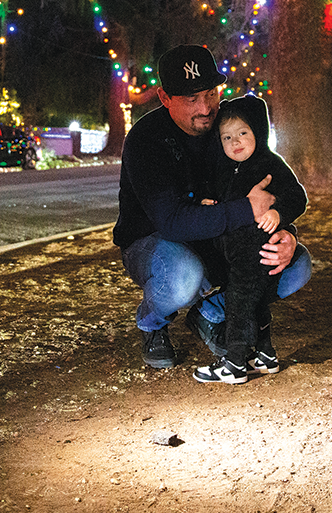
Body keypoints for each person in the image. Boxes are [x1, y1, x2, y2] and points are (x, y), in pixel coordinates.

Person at [114, 44, 312, 369]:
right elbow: (173, 222)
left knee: (297, 265)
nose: (206, 108)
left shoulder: (228, 126)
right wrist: (248, 210)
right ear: (165, 98)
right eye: (192, 99)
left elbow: (266, 181)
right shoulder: (145, 140)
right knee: (183, 276)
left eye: (210, 93)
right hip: (154, 241)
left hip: (217, 237)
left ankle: (211, 312)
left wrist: (283, 232)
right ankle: (152, 324)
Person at [192, 94, 308, 384]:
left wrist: (279, 214)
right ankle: (265, 354)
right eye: (227, 136)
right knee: (255, 302)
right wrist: (209, 202)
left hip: (258, 248)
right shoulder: (222, 168)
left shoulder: (270, 165)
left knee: (240, 302)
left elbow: (297, 196)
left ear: (258, 131)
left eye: (243, 133)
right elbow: (218, 196)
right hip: (234, 252)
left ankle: (234, 362)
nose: (235, 142)